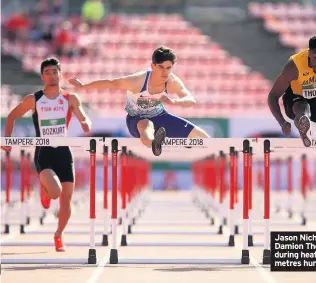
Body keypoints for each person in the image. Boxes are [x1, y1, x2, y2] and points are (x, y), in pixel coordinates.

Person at [1, 57, 92, 252]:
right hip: (44, 153)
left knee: (66, 200)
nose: (51, 75)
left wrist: (85, 124)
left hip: (64, 153)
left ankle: (59, 234)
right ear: (42, 76)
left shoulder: (70, 98)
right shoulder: (34, 99)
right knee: (56, 192)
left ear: (60, 74)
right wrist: (7, 140)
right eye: (47, 72)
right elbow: (12, 116)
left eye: (54, 72)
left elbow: (84, 117)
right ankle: (45, 189)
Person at [68, 46, 210, 156]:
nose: (165, 72)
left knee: (203, 137)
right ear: (153, 65)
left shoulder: (171, 80)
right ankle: (154, 144)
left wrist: (173, 102)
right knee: (146, 125)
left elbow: (190, 100)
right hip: (136, 119)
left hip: (161, 116)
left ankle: (216, 160)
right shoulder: (138, 80)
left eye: (169, 68)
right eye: (161, 67)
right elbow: (111, 83)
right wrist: (83, 85)